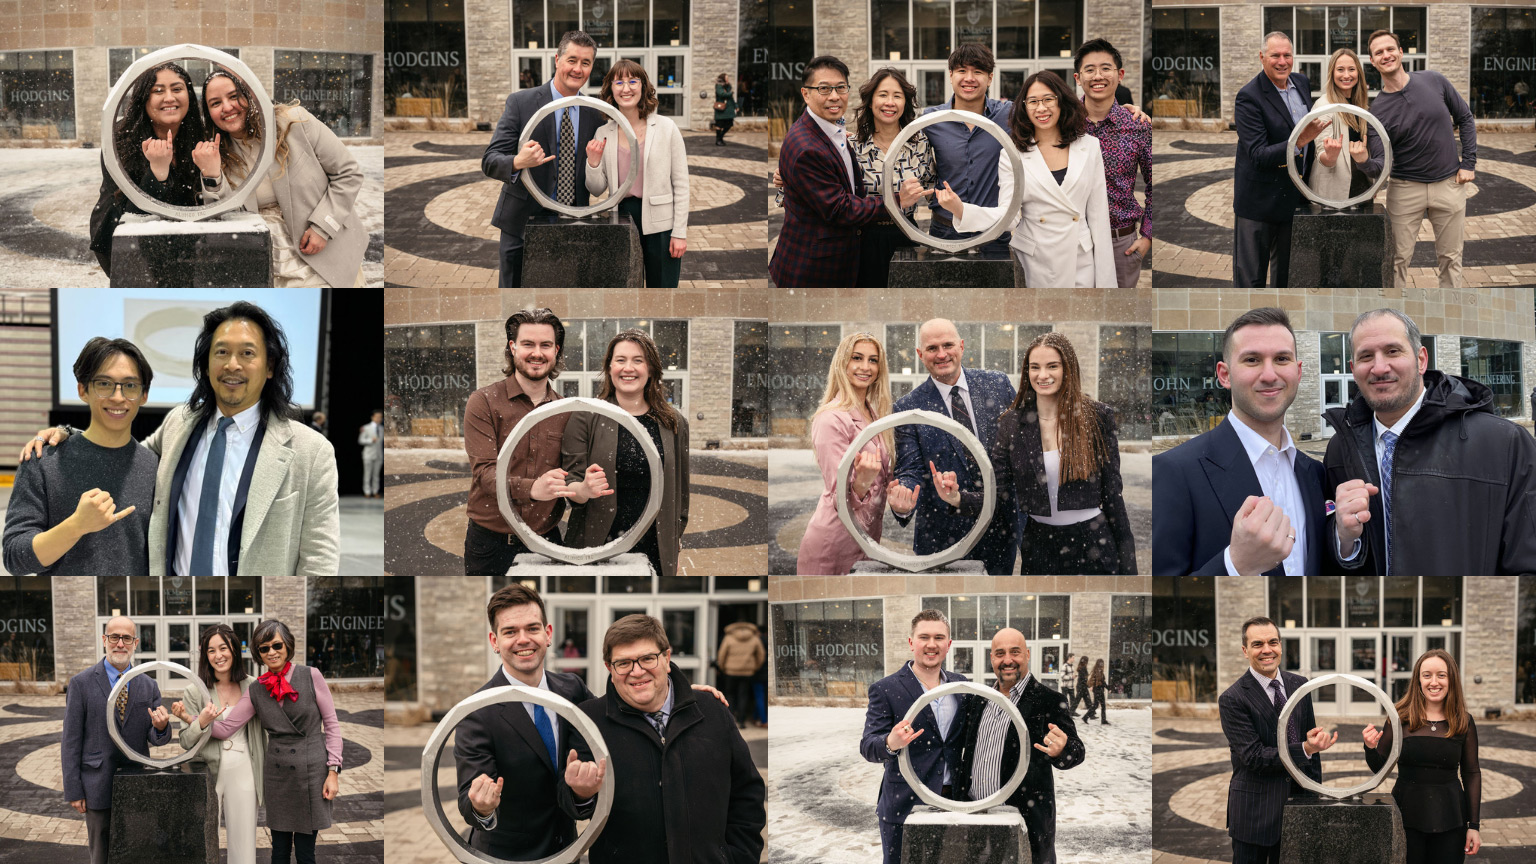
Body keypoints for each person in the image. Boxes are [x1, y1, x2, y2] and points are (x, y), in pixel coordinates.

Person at [22, 302, 340, 579]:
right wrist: (68, 435)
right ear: (206, 365)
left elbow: (320, 557)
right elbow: (125, 457)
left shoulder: (311, 453)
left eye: (247, 353)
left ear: (270, 366)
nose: (232, 364)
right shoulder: (179, 423)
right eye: (221, 352)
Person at [1323, 307, 1536, 575]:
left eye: (1392, 351)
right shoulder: (1340, 449)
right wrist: (1344, 541)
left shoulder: (1504, 443)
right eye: (1366, 356)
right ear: (1354, 370)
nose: (1379, 367)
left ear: (1421, 359)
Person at [564, 614, 766, 864]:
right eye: (624, 663)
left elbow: (747, 792)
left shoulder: (712, 710)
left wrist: (738, 857)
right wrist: (581, 794)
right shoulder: (588, 720)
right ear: (609, 668)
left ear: (667, 658)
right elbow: (570, 803)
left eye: (648, 658)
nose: (637, 672)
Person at [1152, 307, 1335, 578]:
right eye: (1252, 360)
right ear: (1224, 375)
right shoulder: (1175, 471)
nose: (1270, 374)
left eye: (1282, 359)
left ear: (1298, 371)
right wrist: (1236, 565)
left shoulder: (1314, 472)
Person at [453, 584, 595, 859]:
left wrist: (678, 693)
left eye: (532, 628)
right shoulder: (476, 711)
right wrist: (482, 807)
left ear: (548, 633)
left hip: (568, 850)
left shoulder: (573, 688)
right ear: (494, 641)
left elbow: (614, 714)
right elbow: (468, 801)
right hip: (507, 857)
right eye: (510, 631)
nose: (523, 639)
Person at [937, 70, 1115, 289]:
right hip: (1035, 260)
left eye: (1048, 99)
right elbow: (1009, 216)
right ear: (1024, 107)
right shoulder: (1013, 154)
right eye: (1033, 101)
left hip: (1080, 258)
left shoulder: (1089, 147)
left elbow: (1099, 217)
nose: (1041, 108)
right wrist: (961, 209)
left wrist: (1107, 284)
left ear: (1062, 101)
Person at [461, 309, 598, 575]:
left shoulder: (567, 409)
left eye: (545, 345)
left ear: (556, 351)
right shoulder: (484, 401)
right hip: (490, 543)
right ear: (512, 348)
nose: (537, 353)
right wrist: (532, 488)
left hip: (546, 540)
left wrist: (581, 488)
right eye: (528, 344)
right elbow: (485, 474)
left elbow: (571, 476)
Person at [199, 70, 367, 287]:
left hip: (323, 249)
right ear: (208, 112)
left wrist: (323, 227)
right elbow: (221, 221)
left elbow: (348, 173)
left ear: (251, 94)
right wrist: (212, 175)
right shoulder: (215, 152)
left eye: (233, 96)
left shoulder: (295, 122)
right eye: (215, 103)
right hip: (267, 261)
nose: (227, 107)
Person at [4, 338, 156, 576]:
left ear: (144, 395)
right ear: (83, 390)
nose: (118, 397)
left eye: (130, 386)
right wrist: (77, 525)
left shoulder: (156, 467)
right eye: (104, 384)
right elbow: (15, 557)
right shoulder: (44, 460)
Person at [544, 329, 687, 582]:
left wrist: (674, 537)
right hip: (597, 543)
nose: (628, 368)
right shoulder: (585, 416)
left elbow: (681, 492)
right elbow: (571, 484)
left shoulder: (673, 423)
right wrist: (584, 489)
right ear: (609, 368)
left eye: (638, 360)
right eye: (620, 360)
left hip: (655, 544)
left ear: (651, 369)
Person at [770, 55, 923, 287]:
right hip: (823, 263)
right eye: (824, 89)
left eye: (840, 88)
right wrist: (897, 200)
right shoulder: (835, 144)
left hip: (900, 238)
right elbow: (839, 208)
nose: (834, 96)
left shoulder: (838, 133)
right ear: (805, 93)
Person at [992, 332, 1136, 575]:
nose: (1043, 375)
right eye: (1034, 367)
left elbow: (1113, 494)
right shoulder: (1011, 423)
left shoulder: (1097, 417)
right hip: (1038, 543)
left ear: (1067, 368)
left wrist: (1129, 568)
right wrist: (958, 499)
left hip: (1093, 542)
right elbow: (998, 491)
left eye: (1052, 366)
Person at [889, 319, 1018, 575]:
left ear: (961, 346)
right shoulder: (907, 407)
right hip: (941, 538)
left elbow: (1021, 450)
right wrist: (903, 501)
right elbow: (910, 469)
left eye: (948, 345)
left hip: (1000, 531)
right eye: (932, 348)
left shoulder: (998, 385)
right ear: (920, 354)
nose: (942, 354)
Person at [208, 620, 342, 864]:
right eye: (264, 648)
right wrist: (193, 719)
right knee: (278, 851)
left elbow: (332, 724)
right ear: (258, 653)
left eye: (276, 645)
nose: (271, 652)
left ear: (287, 645)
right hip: (278, 777)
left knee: (305, 852)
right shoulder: (256, 689)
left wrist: (333, 771)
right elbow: (227, 727)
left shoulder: (311, 675)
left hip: (311, 772)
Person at [483, 31, 604, 288]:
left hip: (572, 220)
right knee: (512, 297)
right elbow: (490, 160)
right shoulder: (521, 102)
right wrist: (518, 161)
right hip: (521, 222)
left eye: (586, 63)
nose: (578, 69)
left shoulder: (596, 111)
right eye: (572, 60)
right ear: (557, 59)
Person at [955, 628, 1084, 864]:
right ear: (992, 658)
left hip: (1024, 822)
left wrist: (1061, 751)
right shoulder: (979, 699)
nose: (1008, 660)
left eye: (1015, 652)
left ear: (1026, 654)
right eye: (1000, 653)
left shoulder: (1048, 700)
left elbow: (1076, 751)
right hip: (975, 818)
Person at [1366, 29, 1478, 291]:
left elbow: (1465, 118)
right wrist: (1362, 160)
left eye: (1390, 49)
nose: (1386, 55)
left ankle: (1449, 317)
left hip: (1448, 184)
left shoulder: (1434, 80)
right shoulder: (1377, 111)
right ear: (1372, 61)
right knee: (1396, 260)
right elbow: (1381, 164)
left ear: (1401, 52)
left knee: (1451, 259)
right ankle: (1395, 320)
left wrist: (1469, 163)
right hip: (1405, 190)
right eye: (1379, 52)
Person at [1219, 617, 1335, 864]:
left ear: (1281, 645)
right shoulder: (1232, 698)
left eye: (1273, 642)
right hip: (1255, 812)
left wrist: (1315, 795)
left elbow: (1311, 751)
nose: (1267, 650)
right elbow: (1254, 757)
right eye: (1258, 644)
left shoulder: (1300, 685)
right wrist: (1304, 748)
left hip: (1300, 808)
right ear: (1245, 650)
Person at [860, 609, 972, 864]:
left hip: (953, 801)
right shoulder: (886, 688)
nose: (931, 644)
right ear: (912, 642)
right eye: (924, 637)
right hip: (904, 805)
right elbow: (868, 745)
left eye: (939, 637)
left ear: (949, 644)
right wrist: (890, 743)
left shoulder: (961, 685)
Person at [62, 617, 173, 864]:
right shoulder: (81, 683)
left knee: (136, 851)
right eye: (114, 637)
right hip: (96, 785)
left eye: (126, 638)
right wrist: (74, 789)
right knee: (101, 854)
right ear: (104, 640)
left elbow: (156, 739)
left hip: (136, 784)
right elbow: (71, 740)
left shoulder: (148, 684)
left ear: (135, 643)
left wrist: (162, 727)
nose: (120, 644)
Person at [90, 62, 215, 276]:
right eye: (158, 91)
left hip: (188, 246)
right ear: (143, 99)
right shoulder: (120, 138)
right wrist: (158, 172)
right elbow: (128, 211)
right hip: (129, 245)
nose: (169, 98)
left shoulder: (201, 135)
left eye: (177, 89)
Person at [1232, 32, 1331, 287]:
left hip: (1293, 200)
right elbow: (1257, 155)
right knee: (1251, 282)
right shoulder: (1248, 97)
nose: (1282, 61)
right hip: (1259, 205)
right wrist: (1299, 141)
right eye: (1275, 55)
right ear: (1262, 57)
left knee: (1286, 280)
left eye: (1287, 55)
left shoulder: (1301, 82)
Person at [1363, 649, 1482, 862]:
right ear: (1418, 680)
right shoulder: (1399, 717)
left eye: (1441, 675)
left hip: (1451, 818)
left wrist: (1474, 825)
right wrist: (1370, 747)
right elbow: (1379, 768)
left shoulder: (1463, 721)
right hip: (1407, 816)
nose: (1433, 682)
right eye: (1427, 675)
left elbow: (1471, 773)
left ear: (1451, 679)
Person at [797, 332, 897, 575]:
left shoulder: (874, 413)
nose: (866, 367)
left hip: (867, 542)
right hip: (833, 545)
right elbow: (838, 496)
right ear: (843, 363)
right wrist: (862, 482)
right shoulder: (830, 417)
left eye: (873, 360)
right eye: (857, 358)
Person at [584, 61, 688, 287]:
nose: (626, 88)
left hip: (660, 222)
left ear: (643, 87)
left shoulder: (666, 127)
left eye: (633, 81)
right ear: (610, 89)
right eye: (619, 82)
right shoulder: (603, 132)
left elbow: (681, 185)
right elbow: (596, 188)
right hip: (620, 218)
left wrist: (679, 232)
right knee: (624, 290)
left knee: (663, 293)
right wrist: (592, 162)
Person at [170, 624, 265, 864]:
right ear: (205, 656)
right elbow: (185, 741)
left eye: (223, 648)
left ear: (234, 649)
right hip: (207, 769)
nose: (218, 655)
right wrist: (199, 722)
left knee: (243, 842)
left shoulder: (253, 685)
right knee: (202, 839)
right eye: (211, 651)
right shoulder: (195, 691)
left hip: (245, 767)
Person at [919, 43, 1015, 254]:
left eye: (978, 72)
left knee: (997, 288)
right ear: (951, 75)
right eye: (962, 71)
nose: (969, 78)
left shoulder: (1009, 115)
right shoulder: (930, 119)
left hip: (993, 230)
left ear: (990, 78)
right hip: (945, 230)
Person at [1074, 39, 1153, 291]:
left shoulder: (1138, 125)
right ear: (1078, 77)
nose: (1098, 76)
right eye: (1090, 69)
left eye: (1105, 68)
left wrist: (1148, 237)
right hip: (1073, 240)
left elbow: (1155, 185)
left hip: (1121, 242)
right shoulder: (1063, 123)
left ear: (1119, 75)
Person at [1309, 48, 1385, 203]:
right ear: (1332, 73)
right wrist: (1330, 156)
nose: (1346, 75)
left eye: (1351, 69)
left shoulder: (1362, 106)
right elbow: (1322, 155)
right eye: (1340, 70)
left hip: (1361, 188)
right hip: (1334, 193)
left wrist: (1371, 183)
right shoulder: (1324, 105)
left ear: (1358, 72)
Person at [716, 620, 765, 729]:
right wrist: (754, 667)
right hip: (747, 672)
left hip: (731, 671)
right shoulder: (754, 638)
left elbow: (722, 654)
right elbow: (761, 655)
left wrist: (723, 668)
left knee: (730, 695)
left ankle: (731, 719)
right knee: (743, 695)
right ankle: (742, 721)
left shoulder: (728, 638)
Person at [359, 410, 383, 498]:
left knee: (376, 475)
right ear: (372, 417)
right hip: (368, 454)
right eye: (377, 417)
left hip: (378, 455)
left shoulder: (381, 428)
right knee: (367, 474)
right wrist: (370, 440)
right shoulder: (366, 427)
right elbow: (361, 440)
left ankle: (375, 491)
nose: (379, 419)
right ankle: (367, 491)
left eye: (380, 417)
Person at [1083, 658, 1109, 724]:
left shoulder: (1097, 671)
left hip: (1097, 691)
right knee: (1099, 706)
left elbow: (1100, 682)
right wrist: (1108, 688)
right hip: (1099, 691)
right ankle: (1102, 720)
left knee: (1096, 705)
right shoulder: (1099, 672)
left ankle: (1086, 717)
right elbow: (1102, 682)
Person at [713, 72, 736, 146]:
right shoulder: (719, 86)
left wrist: (736, 106)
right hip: (721, 109)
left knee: (729, 124)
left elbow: (731, 98)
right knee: (719, 124)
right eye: (726, 78)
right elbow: (721, 94)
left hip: (728, 109)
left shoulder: (728, 86)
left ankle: (721, 137)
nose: (728, 79)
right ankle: (718, 140)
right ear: (723, 79)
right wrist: (730, 93)